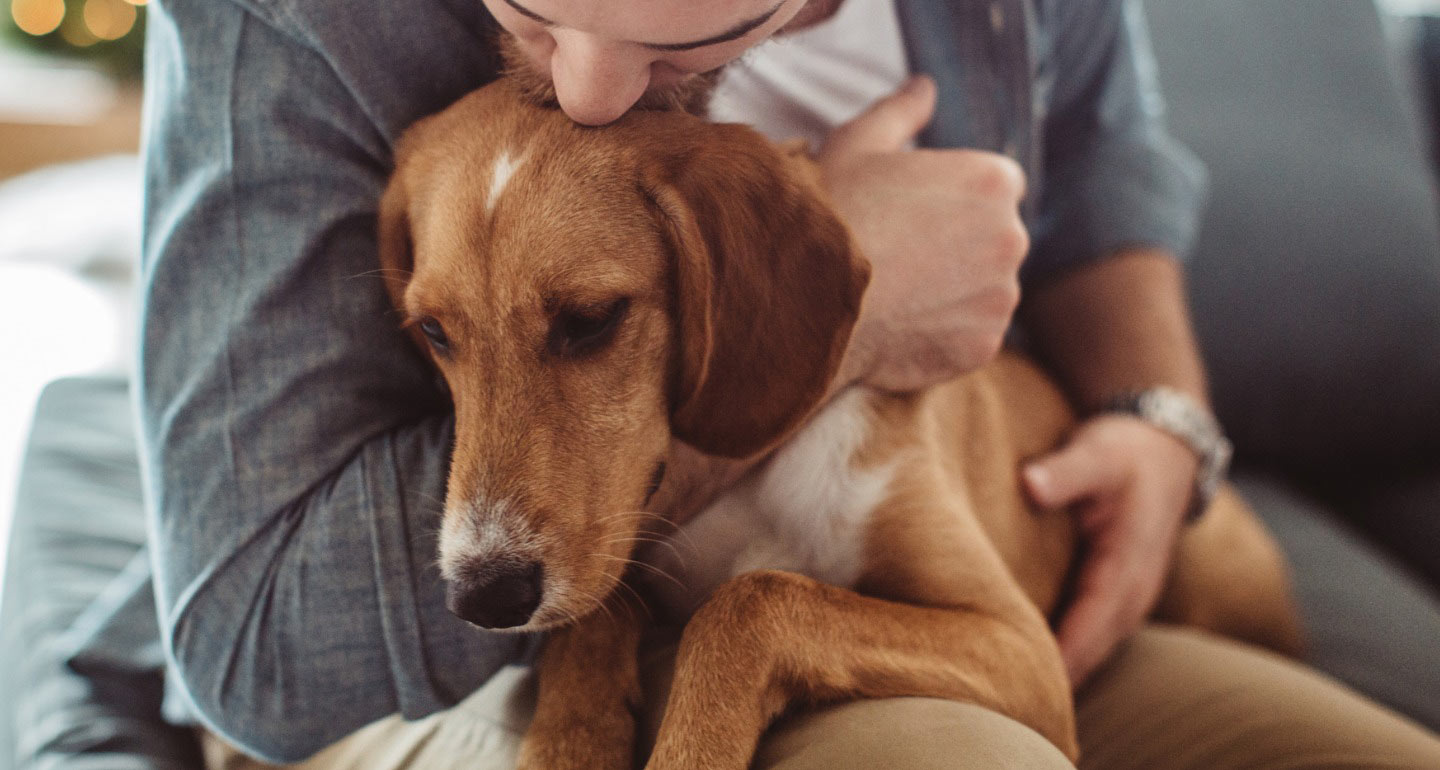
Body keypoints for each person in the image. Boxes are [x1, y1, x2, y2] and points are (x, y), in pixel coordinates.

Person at [137, 0, 1440, 767]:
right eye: (530, 3)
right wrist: (866, 313)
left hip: (972, 599)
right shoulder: (287, 26)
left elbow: (1104, 148)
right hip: (404, 680)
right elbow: (248, 640)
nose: (584, 87)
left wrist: (1160, 417)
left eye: (687, 24)